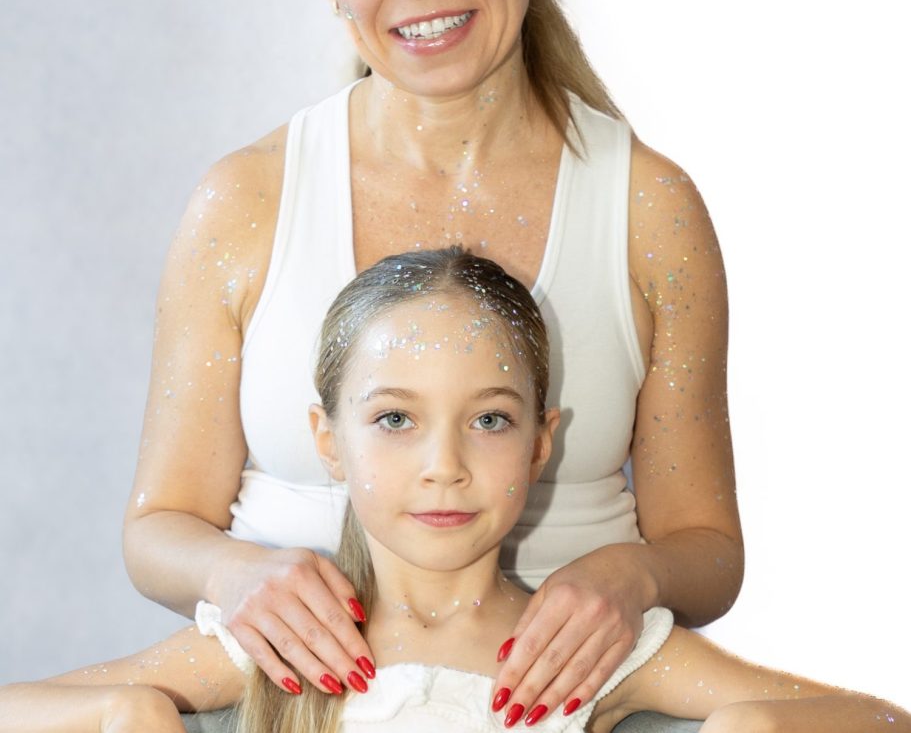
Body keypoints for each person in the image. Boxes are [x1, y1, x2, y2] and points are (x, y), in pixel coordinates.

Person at [121, 0, 741, 729]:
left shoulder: (649, 210)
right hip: (279, 707)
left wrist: (632, 573)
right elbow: (157, 526)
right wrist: (232, 573)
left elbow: (708, 547)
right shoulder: (244, 202)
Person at [2, 248, 907, 733]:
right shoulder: (282, 642)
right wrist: (127, 711)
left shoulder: (584, 652)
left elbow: (884, 721)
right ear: (327, 439)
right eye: (395, 418)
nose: (445, 464)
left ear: (544, 442)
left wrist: (753, 727)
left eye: (490, 420)